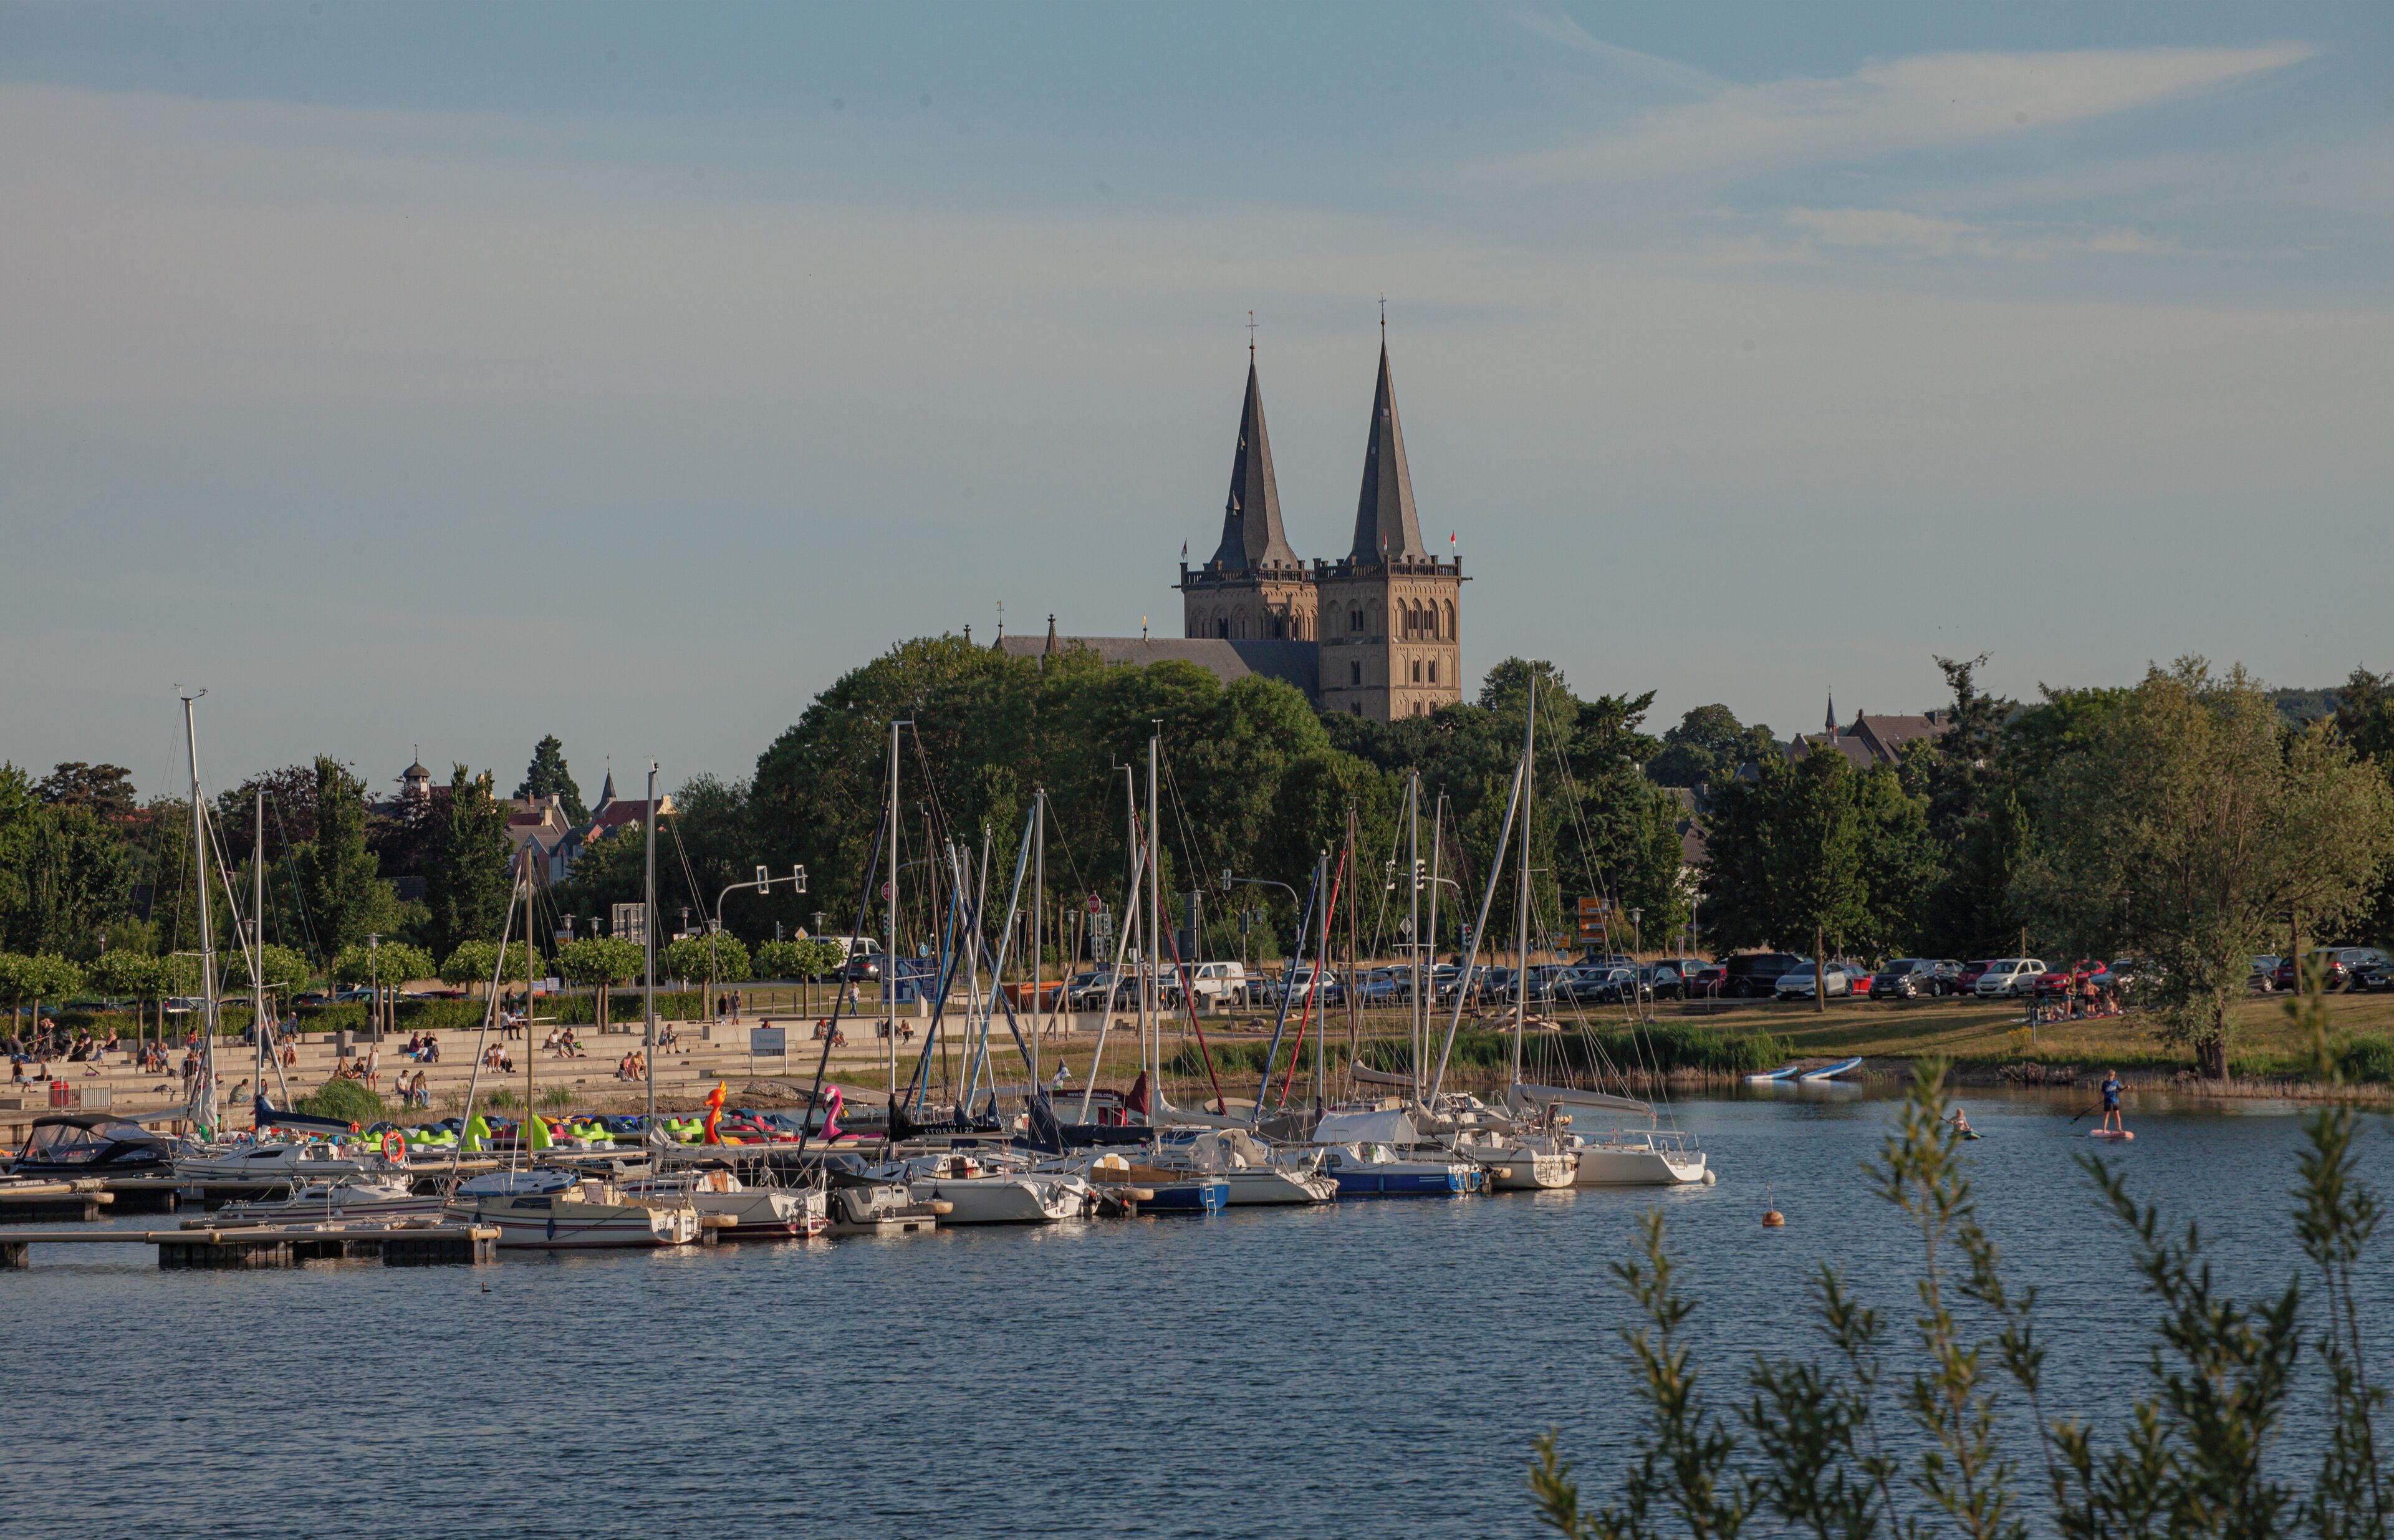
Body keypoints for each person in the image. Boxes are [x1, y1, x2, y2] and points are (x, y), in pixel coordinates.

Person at [2098, 1069, 2125, 1133]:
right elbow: (2102, 1092)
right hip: (2107, 1101)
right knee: (2107, 1115)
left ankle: (2119, 1129)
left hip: (2115, 1101)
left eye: (2112, 1076)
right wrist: (2098, 1100)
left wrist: (2126, 1088)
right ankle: (2104, 1130)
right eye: (2109, 1076)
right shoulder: (2105, 1083)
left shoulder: (2116, 1082)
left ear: (2114, 1076)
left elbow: (2120, 1090)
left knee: (2117, 1115)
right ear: (2108, 1075)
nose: (2110, 1077)